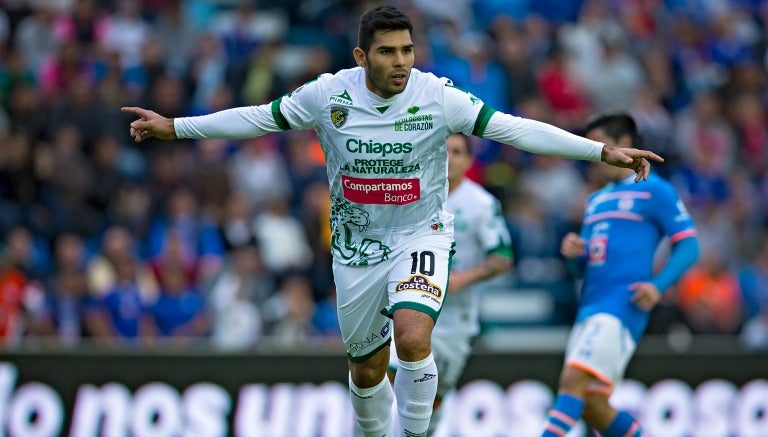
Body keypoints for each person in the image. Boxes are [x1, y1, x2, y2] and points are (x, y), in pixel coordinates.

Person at [123, 6, 662, 436]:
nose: (401, 61)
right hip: (356, 248)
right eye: (388, 52)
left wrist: (598, 152)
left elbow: (515, 129)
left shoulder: (436, 96)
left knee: (412, 337)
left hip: (420, 233)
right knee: (366, 371)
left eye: (407, 50)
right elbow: (260, 118)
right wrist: (177, 127)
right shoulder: (327, 95)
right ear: (362, 56)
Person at [540, 113, 698, 437]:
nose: (595, 154)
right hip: (589, 307)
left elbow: (689, 245)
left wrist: (658, 286)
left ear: (624, 144)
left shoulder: (654, 189)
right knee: (592, 403)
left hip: (622, 305)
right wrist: (575, 254)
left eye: (600, 144)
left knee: (573, 381)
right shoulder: (595, 200)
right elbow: (586, 265)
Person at [387, 132, 513, 435]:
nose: (449, 159)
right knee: (384, 375)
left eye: (457, 152)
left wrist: (461, 279)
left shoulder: (481, 203)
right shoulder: (411, 195)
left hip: (455, 319)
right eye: (444, 151)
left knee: (433, 398)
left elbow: (503, 256)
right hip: (409, 307)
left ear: (468, 161)